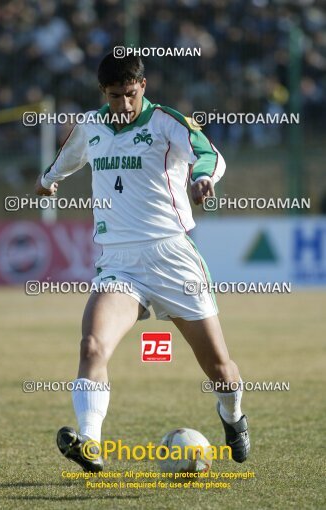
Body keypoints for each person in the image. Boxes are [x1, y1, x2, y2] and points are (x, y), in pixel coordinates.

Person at [35, 52, 250, 472]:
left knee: (221, 370)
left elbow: (209, 154)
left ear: (143, 87)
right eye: (115, 96)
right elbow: (66, 160)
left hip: (172, 258)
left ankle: (232, 416)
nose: (123, 105)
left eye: (131, 95)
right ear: (104, 92)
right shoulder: (91, 127)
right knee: (92, 346)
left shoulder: (166, 122)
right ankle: (90, 443)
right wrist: (47, 182)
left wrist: (204, 179)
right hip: (119, 263)